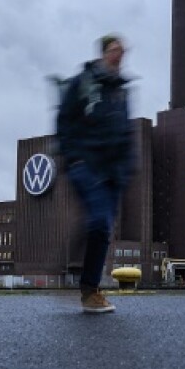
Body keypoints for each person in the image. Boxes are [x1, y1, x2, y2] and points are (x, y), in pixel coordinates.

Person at [55, 34, 134, 314]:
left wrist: (127, 166)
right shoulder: (83, 82)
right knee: (99, 221)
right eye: (113, 50)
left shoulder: (121, 91)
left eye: (122, 51)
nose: (118, 55)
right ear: (102, 53)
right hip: (86, 164)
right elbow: (64, 119)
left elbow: (126, 132)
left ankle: (89, 289)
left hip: (113, 171)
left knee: (102, 229)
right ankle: (84, 284)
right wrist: (73, 156)